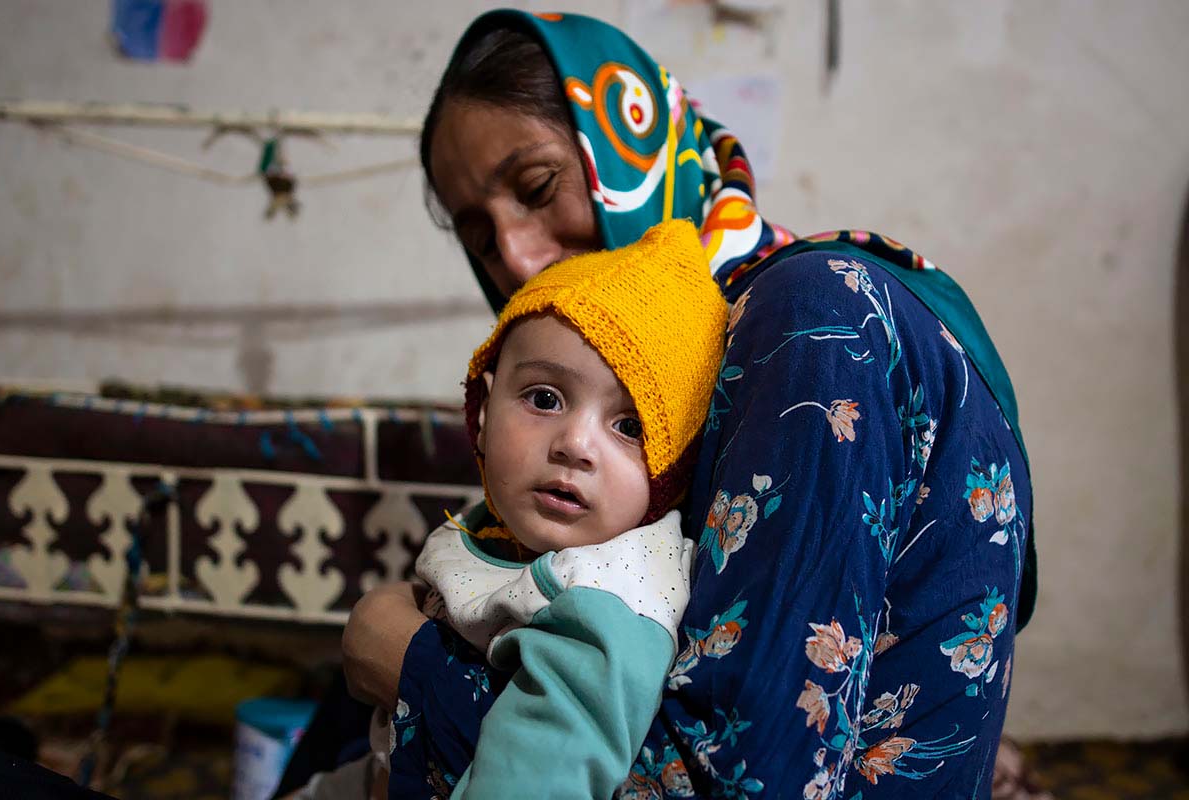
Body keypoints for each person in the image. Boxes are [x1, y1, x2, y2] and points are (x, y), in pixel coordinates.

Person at [338, 9, 1036, 799]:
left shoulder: (811, 325)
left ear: (629, 141)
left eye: (537, 189)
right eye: (480, 236)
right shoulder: (685, 370)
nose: (519, 259)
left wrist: (411, 667)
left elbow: (736, 781)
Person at [357, 219, 724, 798]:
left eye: (630, 427)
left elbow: (534, 778)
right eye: (545, 398)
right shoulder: (501, 524)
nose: (575, 445)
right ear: (483, 404)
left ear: (670, 475)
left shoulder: (606, 599)